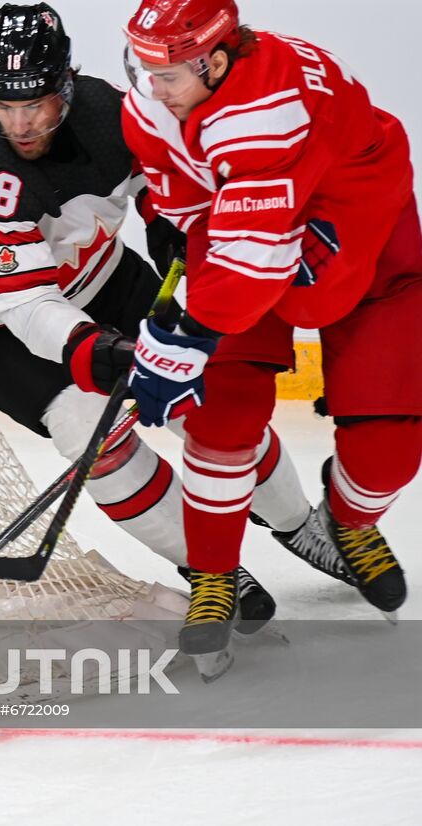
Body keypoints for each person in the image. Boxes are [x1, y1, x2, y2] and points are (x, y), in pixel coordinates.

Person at [0, 2, 309, 625]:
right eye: (4, 106)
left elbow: (161, 180)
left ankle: (300, 523)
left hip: (101, 277)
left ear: (66, 87)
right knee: (90, 428)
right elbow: (24, 300)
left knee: (212, 396)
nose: (21, 124)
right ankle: (209, 566)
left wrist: (168, 223)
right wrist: (91, 352)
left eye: (35, 105)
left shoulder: (112, 113)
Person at [121, 0, 420, 654]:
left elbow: (253, 262)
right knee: (221, 422)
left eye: (168, 72)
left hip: (361, 235)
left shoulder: (268, 115)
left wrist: (180, 342)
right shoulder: (170, 97)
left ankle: (351, 521)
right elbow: (202, 212)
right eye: (145, 69)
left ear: (218, 59)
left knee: (389, 446)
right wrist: (174, 226)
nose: (153, 87)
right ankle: (214, 574)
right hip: (256, 230)